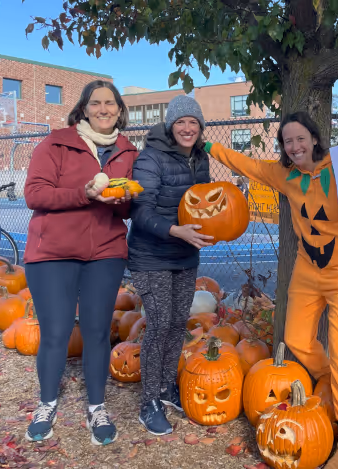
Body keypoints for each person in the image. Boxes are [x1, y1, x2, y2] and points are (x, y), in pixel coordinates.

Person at [203, 112, 338, 468]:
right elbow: (247, 165)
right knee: (297, 338)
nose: (294, 146)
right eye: (287, 142)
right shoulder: (285, 176)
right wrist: (208, 145)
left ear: (314, 138)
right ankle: (334, 380)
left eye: (300, 139)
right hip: (307, 271)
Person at [23, 80, 138, 446]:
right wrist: (84, 193)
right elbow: (34, 193)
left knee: (97, 333)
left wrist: (125, 197)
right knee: (55, 333)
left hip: (104, 252)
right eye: (96, 103)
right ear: (84, 108)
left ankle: (97, 406)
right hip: (52, 253)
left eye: (111, 103)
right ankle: (46, 403)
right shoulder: (57, 142)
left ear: (120, 110)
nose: (104, 109)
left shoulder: (126, 150)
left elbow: (127, 207)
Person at [127, 95, 213, 435]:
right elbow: (141, 210)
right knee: (160, 322)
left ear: (200, 128)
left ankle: (165, 387)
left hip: (185, 254)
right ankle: (148, 402)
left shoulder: (200, 159)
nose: (187, 128)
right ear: (170, 126)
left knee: (178, 323)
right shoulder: (150, 158)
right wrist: (175, 230)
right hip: (152, 254)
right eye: (181, 122)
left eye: (193, 122)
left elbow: (205, 204)